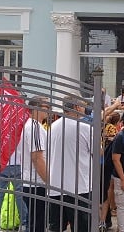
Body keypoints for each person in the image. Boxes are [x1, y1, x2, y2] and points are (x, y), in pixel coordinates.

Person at [48, 96, 93, 231]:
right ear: (76, 107)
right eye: (83, 105)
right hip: (79, 186)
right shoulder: (85, 128)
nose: (85, 108)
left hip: (56, 185)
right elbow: (97, 152)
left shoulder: (53, 127)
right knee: (81, 226)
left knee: (56, 226)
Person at [0, 105, 30, 232]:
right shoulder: (23, 127)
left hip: (3, 164)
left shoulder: (2, 127)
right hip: (18, 163)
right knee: (20, 196)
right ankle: (24, 224)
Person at [21, 97, 50, 232]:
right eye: (46, 106)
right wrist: (49, 181)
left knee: (35, 222)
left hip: (34, 182)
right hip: (36, 183)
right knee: (37, 224)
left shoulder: (34, 126)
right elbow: (37, 158)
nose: (48, 109)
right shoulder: (34, 127)